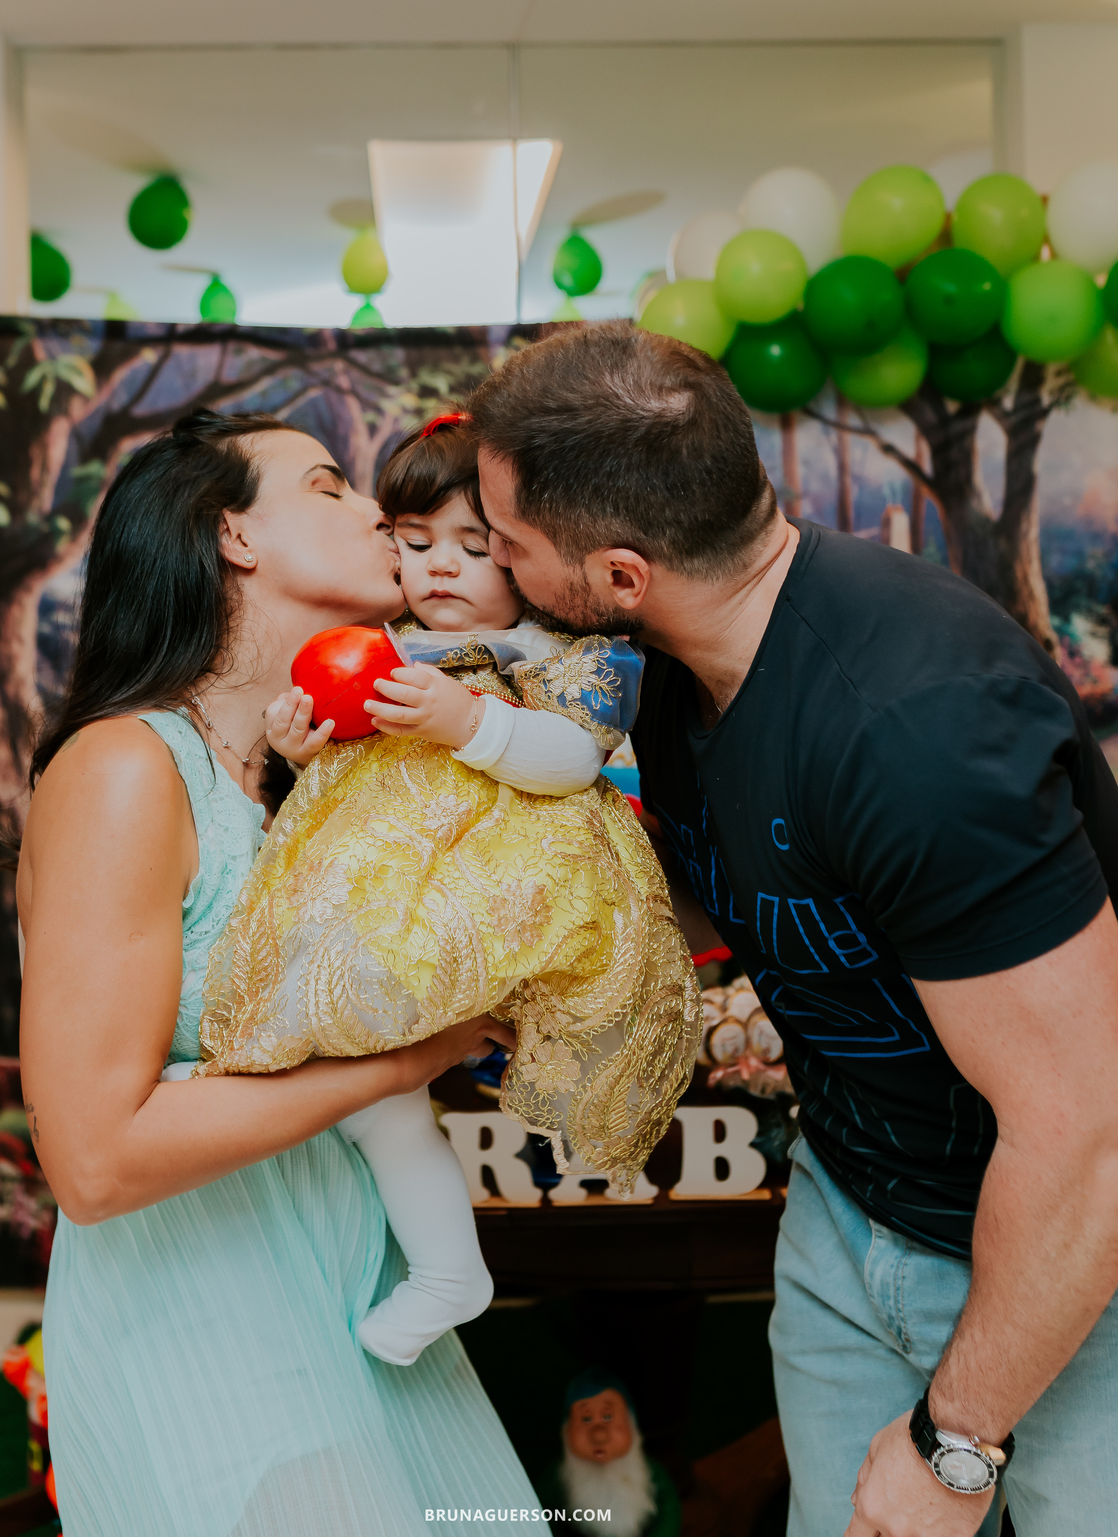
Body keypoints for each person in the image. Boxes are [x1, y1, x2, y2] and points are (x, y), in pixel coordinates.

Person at [468, 322, 1118, 1537]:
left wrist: (956, 1447)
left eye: (507, 542)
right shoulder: (668, 665)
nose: (491, 562)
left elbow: (1086, 1137)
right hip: (849, 1202)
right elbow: (762, 888)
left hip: (1066, 1253)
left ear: (620, 571)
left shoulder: (918, 733)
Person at [18, 409, 538, 1537]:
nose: (374, 514)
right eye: (328, 484)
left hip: (351, 1292)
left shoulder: (311, 780)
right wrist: (410, 1057)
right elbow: (95, 1159)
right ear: (232, 536)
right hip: (207, 1321)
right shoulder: (124, 767)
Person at [198, 412, 700, 1366]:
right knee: (364, 1098)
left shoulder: (561, 656)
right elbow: (346, 781)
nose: (439, 568)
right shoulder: (370, 644)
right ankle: (445, 1268)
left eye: (476, 547)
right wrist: (302, 752)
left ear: (527, 557)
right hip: (396, 902)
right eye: (414, 541)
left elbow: (570, 762)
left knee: (367, 1080)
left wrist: (469, 718)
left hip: (511, 907)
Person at [537, 1368, 680, 1537]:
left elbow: (670, 1514)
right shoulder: (558, 1478)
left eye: (607, 1417)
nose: (599, 1435)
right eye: (586, 1419)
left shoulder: (650, 1473)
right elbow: (539, 1514)